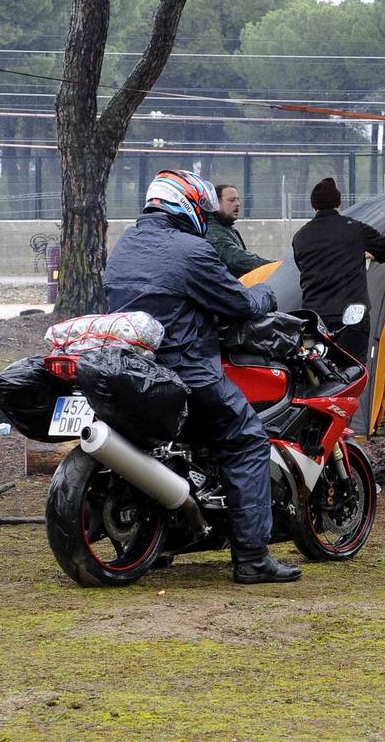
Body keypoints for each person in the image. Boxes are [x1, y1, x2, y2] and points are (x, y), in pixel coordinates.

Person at [104, 168, 301, 584]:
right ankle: (252, 557)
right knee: (246, 437)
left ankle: (156, 544)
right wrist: (269, 292)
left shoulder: (125, 245)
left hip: (133, 371)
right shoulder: (192, 249)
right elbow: (238, 304)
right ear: (188, 206)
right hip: (187, 369)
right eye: (200, 207)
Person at [292, 177, 385, 366]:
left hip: (315, 318)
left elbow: (302, 267)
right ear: (339, 203)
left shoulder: (300, 236)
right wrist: (365, 254)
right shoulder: (354, 229)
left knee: (317, 370)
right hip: (351, 316)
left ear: (314, 206)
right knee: (351, 371)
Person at [207, 184, 271, 277]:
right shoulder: (213, 231)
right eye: (231, 200)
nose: (237, 204)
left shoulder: (227, 228)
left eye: (238, 199)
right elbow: (236, 258)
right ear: (216, 203)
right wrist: (273, 266)